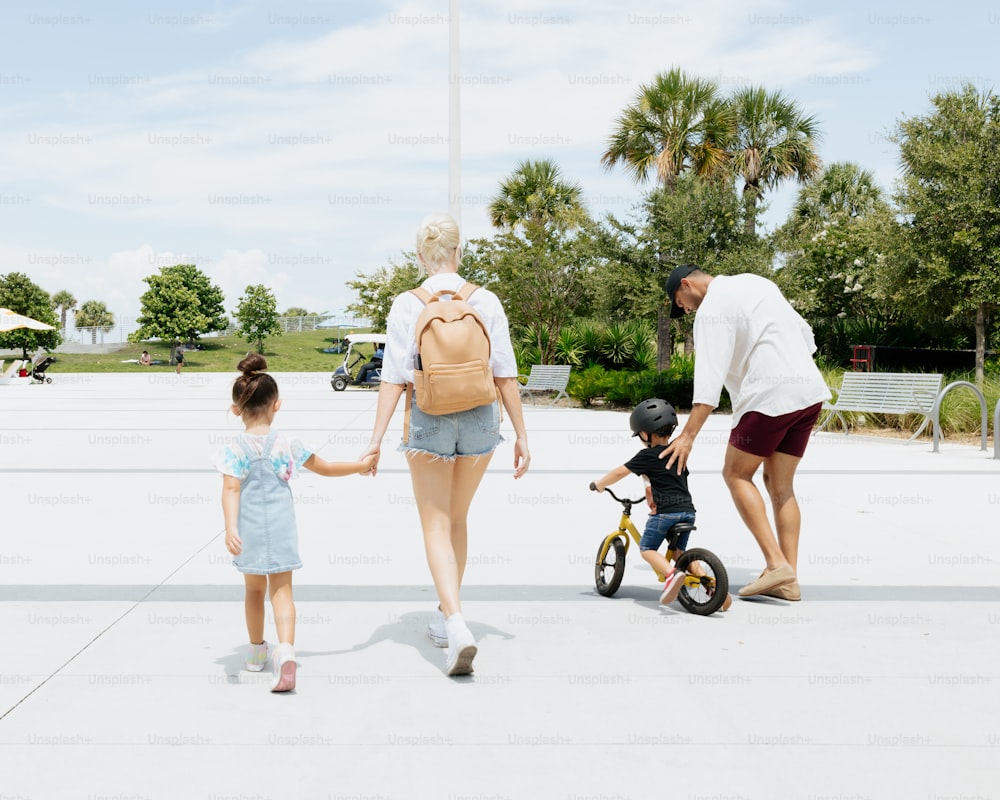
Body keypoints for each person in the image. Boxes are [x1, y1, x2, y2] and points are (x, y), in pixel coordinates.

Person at [360, 213, 530, 677]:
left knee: (434, 523)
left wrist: (375, 441)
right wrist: (521, 435)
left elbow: (394, 378)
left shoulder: (406, 304)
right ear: (459, 252)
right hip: (480, 417)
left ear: (421, 256)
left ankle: (454, 624)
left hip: (429, 418)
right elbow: (505, 372)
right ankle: (444, 612)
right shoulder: (487, 300)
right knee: (457, 518)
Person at [661, 264, 831, 601]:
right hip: (808, 392)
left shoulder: (710, 310)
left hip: (769, 396)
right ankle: (788, 580)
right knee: (780, 485)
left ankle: (776, 563)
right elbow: (805, 335)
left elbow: (708, 379)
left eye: (680, 302)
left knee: (736, 474)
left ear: (687, 284)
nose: (684, 309)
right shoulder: (756, 282)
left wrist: (688, 436)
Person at [216, 353, 376, 692]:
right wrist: (360, 466)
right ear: (277, 405)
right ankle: (285, 650)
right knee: (282, 592)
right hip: (283, 527)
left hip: (249, 531)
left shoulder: (234, 448)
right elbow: (327, 468)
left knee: (254, 590)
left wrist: (230, 528)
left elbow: (230, 489)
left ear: (235, 409)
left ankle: (258, 651)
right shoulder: (288, 444)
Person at [592, 398, 731, 609]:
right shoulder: (678, 452)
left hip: (666, 513)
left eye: (639, 434)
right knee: (678, 553)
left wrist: (600, 484)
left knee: (647, 548)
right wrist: (650, 493)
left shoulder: (646, 455)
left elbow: (621, 471)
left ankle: (671, 575)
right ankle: (712, 586)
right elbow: (662, 479)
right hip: (688, 511)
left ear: (647, 433)